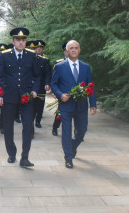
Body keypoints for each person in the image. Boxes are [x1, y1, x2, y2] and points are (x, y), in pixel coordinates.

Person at [0, 27, 40, 168]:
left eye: (23, 40)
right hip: (9, 96)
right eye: (18, 40)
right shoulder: (5, 55)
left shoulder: (32, 55)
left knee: (28, 126)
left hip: (26, 97)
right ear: (13, 41)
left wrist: (34, 90)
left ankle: (25, 157)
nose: (21, 42)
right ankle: (12, 153)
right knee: (8, 127)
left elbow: (37, 75)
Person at [51, 40, 97, 169]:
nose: (73, 50)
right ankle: (68, 157)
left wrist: (93, 103)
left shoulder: (85, 67)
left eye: (76, 48)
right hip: (66, 105)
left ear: (79, 50)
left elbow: (90, 86)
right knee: (66, 131)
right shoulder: (60, 67)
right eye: (71, 48)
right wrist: (61, 95)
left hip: (81, 105)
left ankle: (72, 146)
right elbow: (54, 84)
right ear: (66, 51)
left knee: (82, 130)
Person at [33, 40, 51, 130]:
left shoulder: (45, 60)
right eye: (37, 47)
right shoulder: (30, 58)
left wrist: (47, 83)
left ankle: (38, 121)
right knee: (32, 104)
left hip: (41, 85)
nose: (39, 49)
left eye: (40, 48)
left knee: (40, 104)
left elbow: (48, 73)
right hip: (31, 86)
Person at [51, 41, 68, 136]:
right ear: (64, 51)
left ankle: (77, 131)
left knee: (76, 113)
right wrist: (55, 92)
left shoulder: (78, 63)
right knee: (61, 111)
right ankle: (55, 127)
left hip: (74, 91)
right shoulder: (58, 63)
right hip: (62, 92)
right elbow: (54, 79)